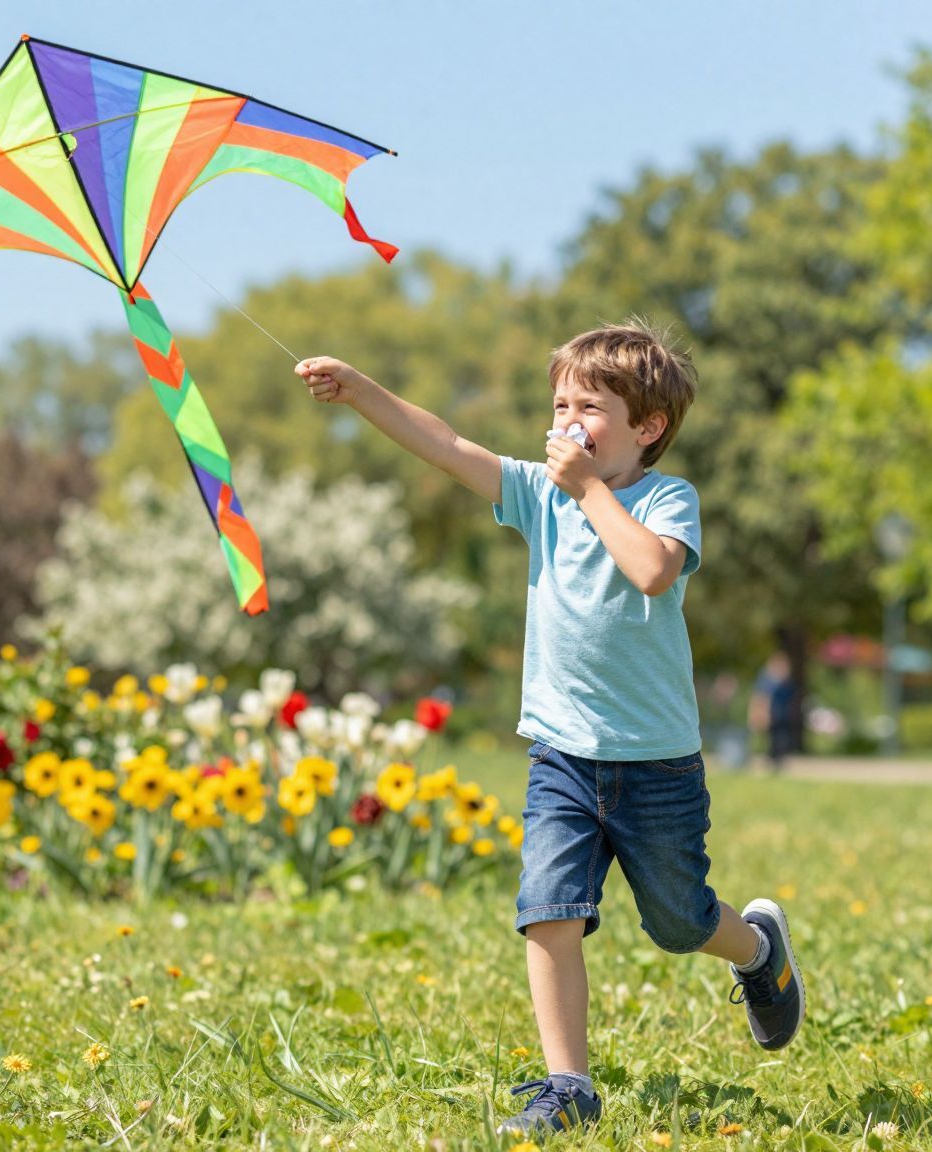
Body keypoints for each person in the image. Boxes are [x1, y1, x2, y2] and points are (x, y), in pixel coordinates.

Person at [296, 324, 804, 1138]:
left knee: (678, 923)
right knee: (549, 911)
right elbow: (446, 442)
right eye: (560, 402)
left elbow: (651, 570)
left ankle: (757, 952)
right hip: (562, 756)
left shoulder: (665, 500)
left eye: (589, 406)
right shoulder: (536, 490)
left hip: (655, 764)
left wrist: (589, 492)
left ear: (648, 428)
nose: (567, 419)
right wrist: (360, 390)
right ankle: (569, 1084)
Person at [749, 652, 798, 773]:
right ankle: (772, 762)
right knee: (773, 741)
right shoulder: (766, 680)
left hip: (783, 717)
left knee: (781, 740)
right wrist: (759, 715)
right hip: (772, 715)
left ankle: (777, 762)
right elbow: (761, 698)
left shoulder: (786, 681)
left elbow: (791, 699)